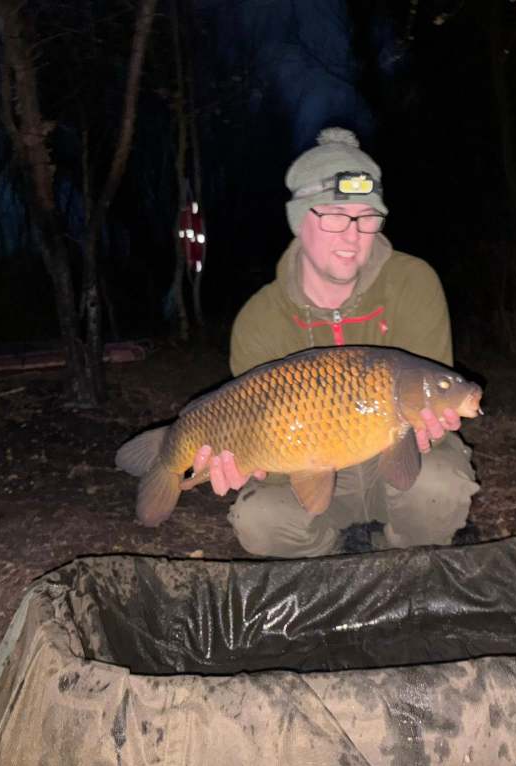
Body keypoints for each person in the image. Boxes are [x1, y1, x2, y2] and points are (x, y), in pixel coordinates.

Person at [195, 126, 480, 557]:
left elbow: (428, 409)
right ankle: (334, 558)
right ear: (300, 220)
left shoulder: (413, 283)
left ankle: (401, 557)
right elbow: (264, 451)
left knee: (440, 487)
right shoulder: (259, 320)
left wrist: (432, 427)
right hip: (311, 474)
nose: (353, 235)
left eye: (367, 217)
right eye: (334, 215)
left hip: (395, 466)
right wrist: (249, 462)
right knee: (259, 520)